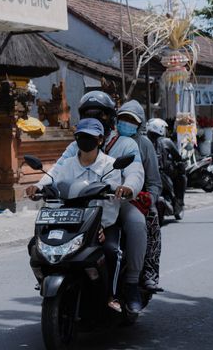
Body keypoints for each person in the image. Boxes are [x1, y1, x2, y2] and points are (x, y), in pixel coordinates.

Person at [27, 90, 147, 314]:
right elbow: (57, 171)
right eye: (89, 115)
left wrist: (128, 187)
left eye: (101, 115)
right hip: (77, 206)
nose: (96, 120)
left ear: (110, 117)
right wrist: (40, 187)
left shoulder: (126, 144)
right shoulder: (77, 146)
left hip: (113, 203)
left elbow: (135, 172)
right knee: (38, 241)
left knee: (136, 224)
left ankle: (130, 284)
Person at [27, 118, 124, 309]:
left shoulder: (110, 166)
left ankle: (111, 296)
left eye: (88, 137)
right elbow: (50, 179)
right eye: (80, 136)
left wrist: (101, 225)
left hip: (100, 224)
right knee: (35, 246)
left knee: (111, 251)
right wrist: (36, 188)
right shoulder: (68, 164)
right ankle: (43, 281)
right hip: (70, 221)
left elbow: (112, 203)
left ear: (100, 140)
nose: (84, 140)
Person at [117, 100, 164, 293]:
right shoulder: (108, 140)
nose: (126, 123)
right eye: (123, 119)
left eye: (131, 120)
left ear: (140, 124)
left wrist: (147, 199)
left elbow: (154, 182)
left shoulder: (144, 145)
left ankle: (148, 274)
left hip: (136, 199)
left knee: (151, 222)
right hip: (106, 198)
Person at [147, 118, 187, 210]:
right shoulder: (166, 141)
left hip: (149, 171)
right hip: (163, 172)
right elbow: (178, 157)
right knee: (181, 175)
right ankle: (179, 200)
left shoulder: (144, 140)